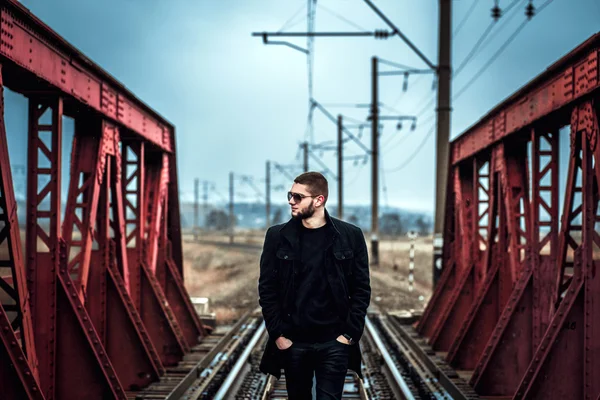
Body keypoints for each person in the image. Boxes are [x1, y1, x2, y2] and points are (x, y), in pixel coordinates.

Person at [258, 171, 371, 400]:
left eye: (298, 197)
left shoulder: (350, 236)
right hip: (293, 342)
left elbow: (361, 289)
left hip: (334, 342)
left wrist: (349, 335)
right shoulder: (277, 236)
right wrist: (279, 335)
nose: (291, 200)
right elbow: (267, 289)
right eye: (290, 195)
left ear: (319, 200)